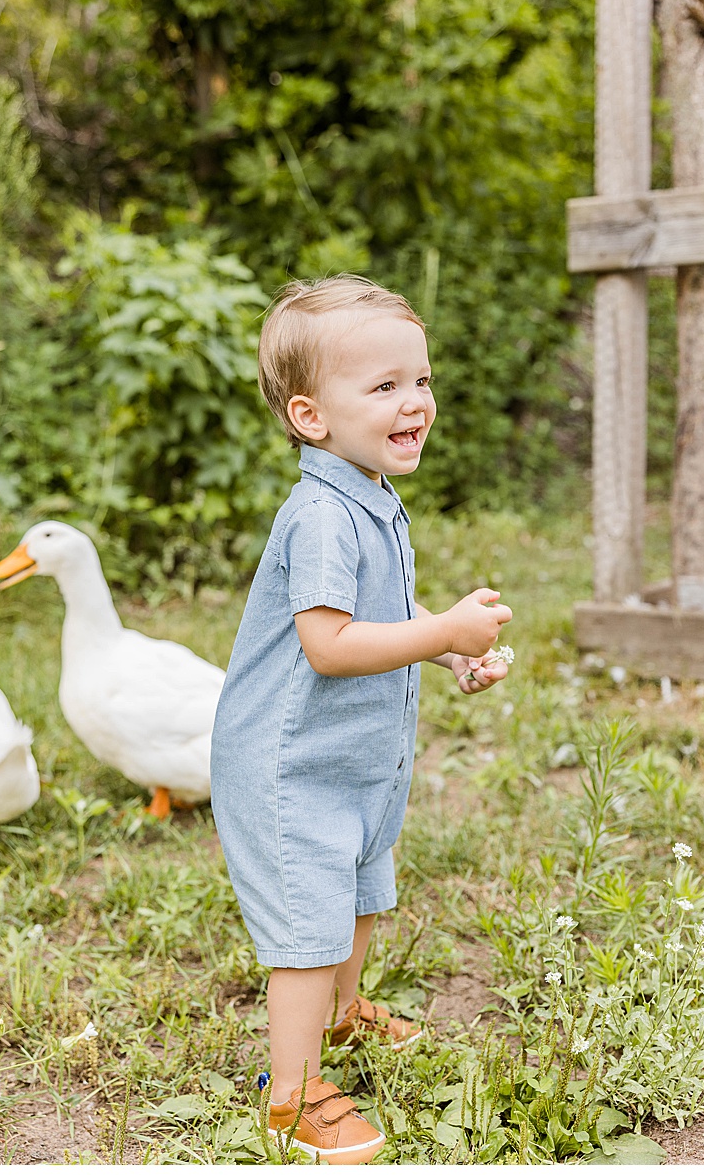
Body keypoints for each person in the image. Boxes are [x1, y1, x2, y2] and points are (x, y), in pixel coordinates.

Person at [209, 276, 513, 1164]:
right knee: (308, 924)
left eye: (419, 380)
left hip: (354, 758)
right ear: (310, 416)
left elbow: (384, 616)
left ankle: (342, 1014)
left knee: (360, 887)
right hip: (288, 762)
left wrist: (447, 649)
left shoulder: (372, 494)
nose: (413, 401)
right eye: (382, 387)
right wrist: (446, 626)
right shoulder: (318, 516)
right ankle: (292, 1088)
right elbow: (330, 646)